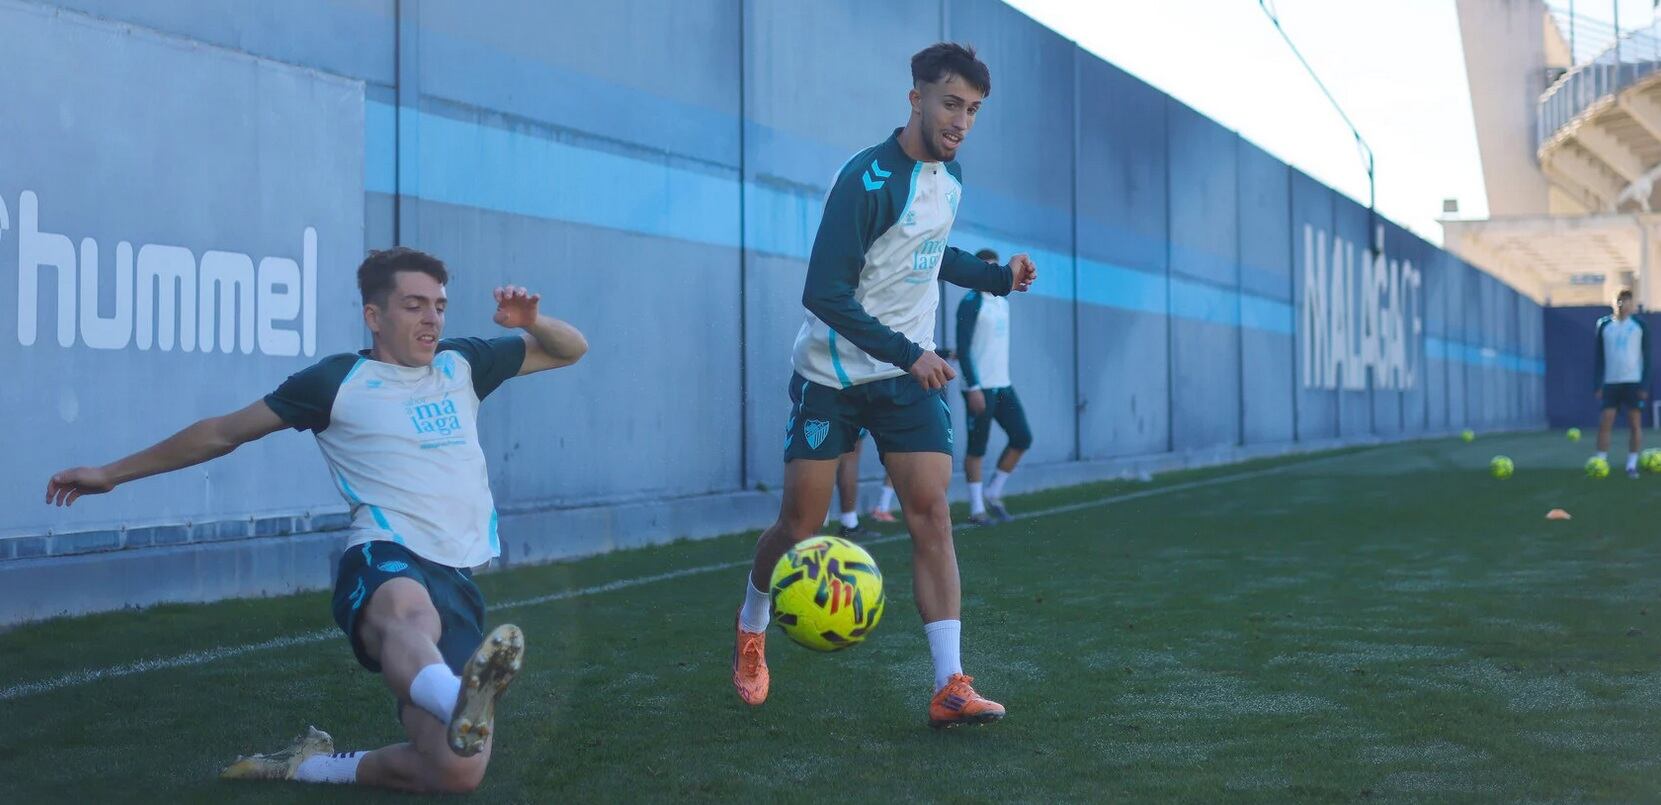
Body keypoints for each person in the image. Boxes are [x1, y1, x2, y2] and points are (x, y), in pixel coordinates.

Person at [44, 247, 588, 792]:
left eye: (439, 306)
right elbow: (222, 433)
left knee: (455, 771)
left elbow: (571, 350)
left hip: (457, 575)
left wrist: (533, 320)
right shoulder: (335, 381)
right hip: (386, 553)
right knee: (410, 617)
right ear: (374, 316)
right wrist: (111, 473)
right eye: (414, 305)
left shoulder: (463, 363)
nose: (432, 319)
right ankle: (454, 696)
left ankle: (312, 766)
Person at [730, 43, 1037, 728]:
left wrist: (996, 278)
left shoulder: (950, 176)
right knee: (800, 523)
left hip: (905, 379)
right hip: (833, 375)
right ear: (916, 99)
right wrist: (909, 353)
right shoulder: (864, 180)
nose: (961, 121)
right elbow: (823, 292)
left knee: (932, 515)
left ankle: (949, 684)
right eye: (951, 104)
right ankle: (751, 625)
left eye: (973, 110)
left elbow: (927, 251)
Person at [958, 247, 1033, 524]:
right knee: (977, 447)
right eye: (985, 268)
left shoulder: (1003, 301)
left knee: (1022, 437)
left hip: (1003, 385)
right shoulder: (970, 302)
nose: (991, 274)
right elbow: (963, 349)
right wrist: (973, 387)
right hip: (980, 388)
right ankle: (977, 509)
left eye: (994, 268)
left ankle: (993, 492)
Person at [1594, 289, 1650, 478]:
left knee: (1634, 423)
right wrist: (1598, 383)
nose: (1622, 304)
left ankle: (1631, 465)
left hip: (1633, 382)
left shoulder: (1639, 326)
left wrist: (1644, 385)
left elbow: (1647, 357)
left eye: (1626, 301)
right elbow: (1599, 357)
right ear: (1613, 302)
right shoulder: (1604, 325)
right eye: (1619, 300)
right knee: (1606, 421)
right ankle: (1600, 463)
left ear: (1632, 304)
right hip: (1611, 382)